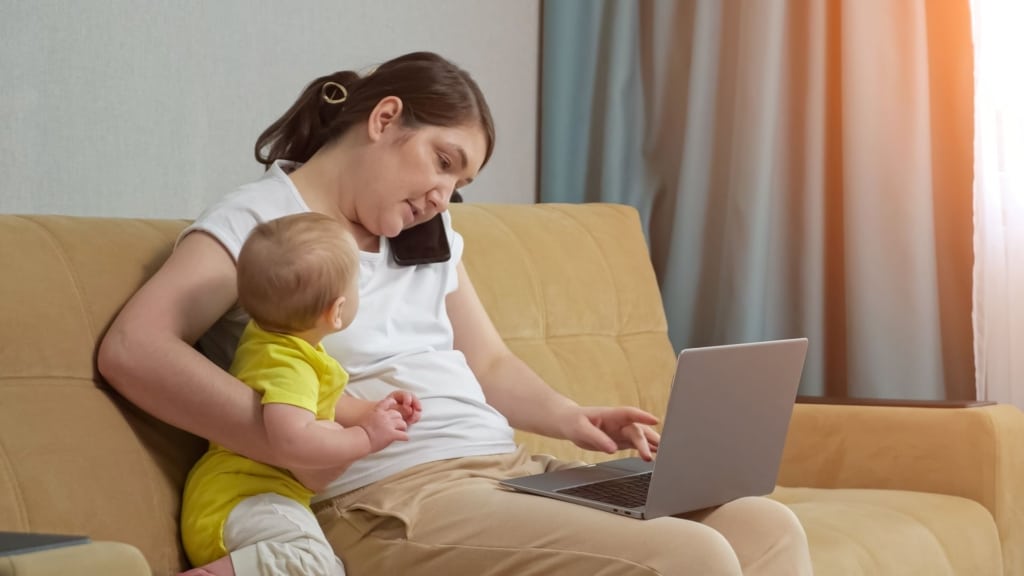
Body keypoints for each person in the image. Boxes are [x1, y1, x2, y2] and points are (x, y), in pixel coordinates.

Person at [99, 51, 812, 575]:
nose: (444, 193)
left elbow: (490, 362)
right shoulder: (264, 223)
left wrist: (574, 418)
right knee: (691, 559)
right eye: (442, 161)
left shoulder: (425, 238)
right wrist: (284, 437)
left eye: (459, 182)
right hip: (383, 497)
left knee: (765, 527)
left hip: (504, 471)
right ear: (385, 120)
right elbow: (134, 347)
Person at [178, 213, 421, 576]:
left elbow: (319, 405)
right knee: (312, 562)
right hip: (241, 501)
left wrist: (374, 410)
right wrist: (365, 437)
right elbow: (290, 439)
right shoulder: (289, 366)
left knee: (327, 568)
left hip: (237, 503)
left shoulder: (272, 342)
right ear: (337, 312)